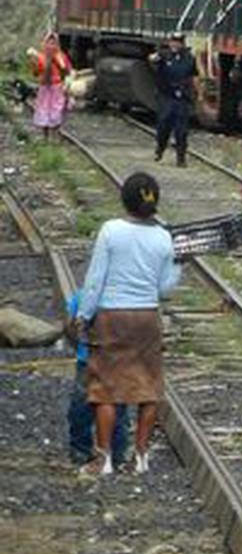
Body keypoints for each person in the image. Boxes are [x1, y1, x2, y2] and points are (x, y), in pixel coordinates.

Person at [70, 172, 181, 477]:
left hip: (112, 316)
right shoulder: (164, 236)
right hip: (147, 317)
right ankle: (141, 457)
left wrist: (84, 315)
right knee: (148, 387)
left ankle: (104, 459)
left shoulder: (111, 231)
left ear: (125, 199)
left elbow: (95, 281)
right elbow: (165, 287)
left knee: (106, 388)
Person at [64, 290, 128, 467]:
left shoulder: (83, 295)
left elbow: (69, 325)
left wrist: (80, 348)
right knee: (118, 408)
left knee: (81, 405)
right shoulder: (129, 296)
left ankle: (80, 450)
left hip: (88, 359)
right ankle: (117, 453)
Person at [149, 32, 196, 166]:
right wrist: (153, 59)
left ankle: (181, 158)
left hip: (182, 97)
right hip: (166, 95)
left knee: (181, 130)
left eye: (178, 42)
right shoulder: (164, 55)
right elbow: (153, 60)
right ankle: (160, 148)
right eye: (173, 41)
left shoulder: (189, 58)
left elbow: (193, 74)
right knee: (163, 124)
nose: (175, 44)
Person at [29, 32, 74, 140]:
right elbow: (36, 72)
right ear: (44, 44)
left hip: (57, 87)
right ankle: (45, 135)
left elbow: (68, 70)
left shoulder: (61, 57)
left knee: (57, 109)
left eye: (53, 43)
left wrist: (68, 83)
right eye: (48, 43)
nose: (51, 46)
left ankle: (55, 133)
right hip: (45, 87)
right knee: (43, 109)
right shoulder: (41, 57)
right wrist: (34, 63)